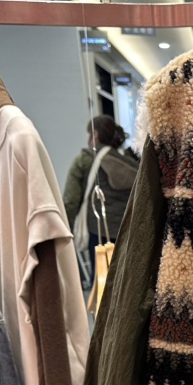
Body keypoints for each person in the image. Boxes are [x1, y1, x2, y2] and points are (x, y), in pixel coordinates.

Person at [62, 116, 139, 276]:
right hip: (128, 231)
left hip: (98, 232)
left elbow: (71, 200)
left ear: (95, 134)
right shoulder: (127, 160)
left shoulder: (85, 159)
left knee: (101, 282)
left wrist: (66, 232)